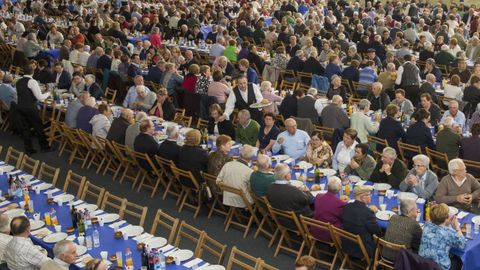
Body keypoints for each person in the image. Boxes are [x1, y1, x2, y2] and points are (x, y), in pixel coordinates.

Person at [15, 64, 51, 155]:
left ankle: (29, 149)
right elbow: (39, 97)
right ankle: (44, 147)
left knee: (25, 129)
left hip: (20, 107)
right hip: (30, 108)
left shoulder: (18, 81)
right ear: (33, 72)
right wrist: (48, 93)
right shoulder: (32, 81)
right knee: (39, 127)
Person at [418, 203, 466, 270]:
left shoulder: (427, 225)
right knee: (459, 261)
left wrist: (447, 223)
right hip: (439, 268)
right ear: (446, 217)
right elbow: (463, 244)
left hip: (423, 265)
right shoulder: (449, 232)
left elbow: (439, 225)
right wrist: (457, 227)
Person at [342, 185, 381, 258]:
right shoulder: (368, 213)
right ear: (363, 197)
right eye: (369, 194)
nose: (371, 196)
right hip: (362, 248)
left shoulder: (346, 207)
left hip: (347, 245)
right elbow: (377, 231)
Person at [312, 177, 347, 242]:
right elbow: (343, 219)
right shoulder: (340, 203)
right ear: (339, 189)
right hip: (330, 234)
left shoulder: (318, 196)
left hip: (315, 230)